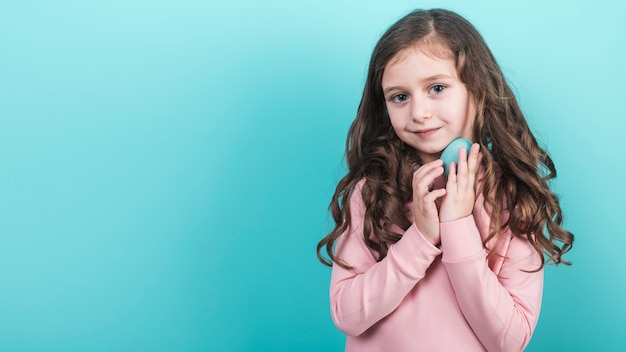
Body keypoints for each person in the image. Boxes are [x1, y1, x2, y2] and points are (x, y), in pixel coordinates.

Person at [316, 8, 574, 352]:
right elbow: (346, 315)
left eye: (437, 87)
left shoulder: (512, 198)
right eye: (400, 96)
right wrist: (420, 239)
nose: (419, 112)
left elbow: (510, 340)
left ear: (477, 90)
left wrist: (457, 224)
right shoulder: (373, 192)